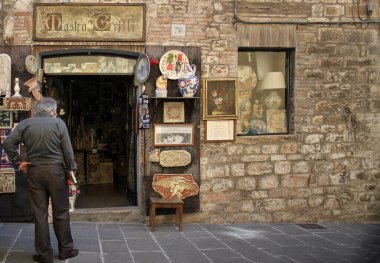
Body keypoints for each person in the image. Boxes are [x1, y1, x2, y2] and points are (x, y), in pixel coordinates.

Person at [3, 97, 79, 263]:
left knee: (40, 214)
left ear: (38, 110)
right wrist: (70, 172)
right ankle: (66, 250)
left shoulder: (25, 124)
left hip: (34, 171)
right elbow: (68, 152)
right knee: (61, 212)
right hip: (56, 172)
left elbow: (8, 143)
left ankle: (44, 255)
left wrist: (18, 161)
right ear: (52, 111)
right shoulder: (59, 124)